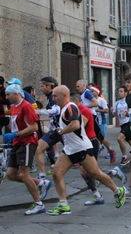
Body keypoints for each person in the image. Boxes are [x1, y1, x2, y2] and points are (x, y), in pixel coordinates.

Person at [46, 85, 125, 215]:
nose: (53, 98)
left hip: (81, 148)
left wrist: (61, 133)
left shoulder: (70, 107)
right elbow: (73, 124)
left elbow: (75, 124)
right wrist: (59, 131)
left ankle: (118, 191)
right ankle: (63, 205)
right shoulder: (65, 108)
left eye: (55, 95)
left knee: (95, 174)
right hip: (70, 149)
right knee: (56, 173)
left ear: (64, 95)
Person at [69, 92, 127, 205]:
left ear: (75, 101)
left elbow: (79, 127)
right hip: (81, 144)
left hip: (90, 143)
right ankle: (97, 194)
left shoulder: (83, 110)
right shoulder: (76, 111)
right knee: (87, 172)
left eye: (69, 102)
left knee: (91, 172)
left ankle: (113, 174)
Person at [3, 84, 52, 215]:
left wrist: (16, 134)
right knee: (10, 175)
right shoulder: (13, 107)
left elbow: (35, 127)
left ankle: (38, 204)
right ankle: (41, 182)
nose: (6, 97)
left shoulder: (26, 106)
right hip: (17, 143)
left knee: (24, 174)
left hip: (27, 143)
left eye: (8, 94)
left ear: (16, 94)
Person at [34, 76, 62, 180]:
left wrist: (39, 111)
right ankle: (42, 176)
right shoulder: (50, 97)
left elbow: (56, 111)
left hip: (65, 130)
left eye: (42, 86)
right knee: (39, 148)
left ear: (49, 86)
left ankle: (93, 174)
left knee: (80, 157)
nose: (40, 88)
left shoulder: (54, 96)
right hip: (56, 130)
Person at [111, 85, 131, 166]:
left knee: (119, 138)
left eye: (121, 91)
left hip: (129, 123)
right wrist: (111, 112)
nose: (119, 93)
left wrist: (127, 114)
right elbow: (113, 115)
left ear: (125, 93)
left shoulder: (128, 101)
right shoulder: (117, 103)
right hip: (122, 125)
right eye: (119, 91)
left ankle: (125, 157)